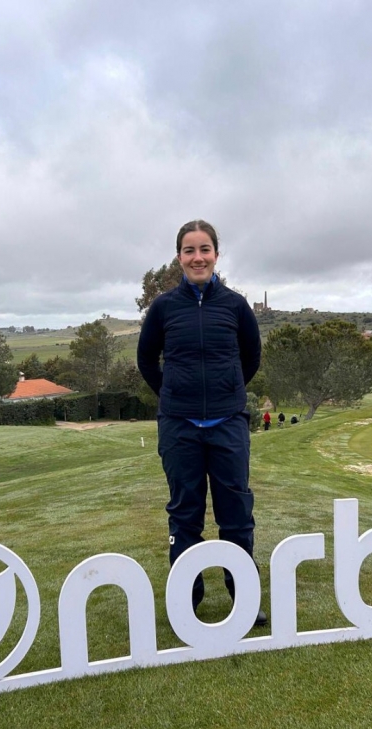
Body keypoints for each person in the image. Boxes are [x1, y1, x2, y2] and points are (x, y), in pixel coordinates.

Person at [137, 219, 266, 626]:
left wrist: (227, 390)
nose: (198, 257)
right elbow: (146, 360)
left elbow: (251, 358)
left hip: (228, 424)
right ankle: (186, 604)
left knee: (237, 516)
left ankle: (244, 600)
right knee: (185, 516)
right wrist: (175, 393)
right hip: (179, 427)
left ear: (216, 255)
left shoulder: (235, 305)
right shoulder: (163, 307)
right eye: (189, 250)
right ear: (179, 257)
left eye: (204, 249)